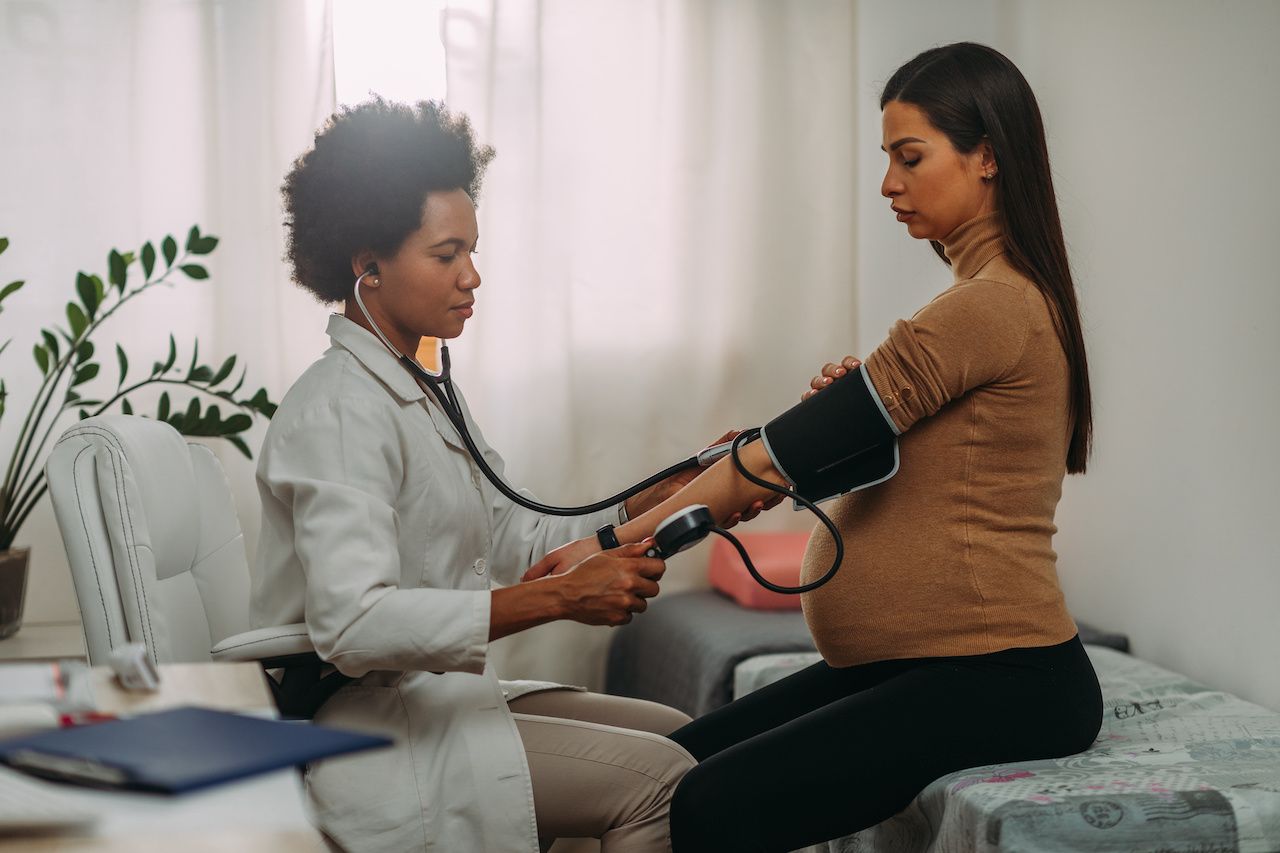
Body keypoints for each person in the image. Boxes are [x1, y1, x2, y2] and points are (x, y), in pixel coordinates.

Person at [529, 42, 1103, 851]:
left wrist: (607, 543)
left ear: (987, 158)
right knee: (659, 767)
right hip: (925, 660)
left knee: (707, 802)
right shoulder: (981, 302)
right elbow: (875, 462)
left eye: (910, 157)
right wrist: (844, 422)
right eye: (886, 159)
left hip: (1002, 675)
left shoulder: (989, 307)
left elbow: (770, 461)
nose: (888, 184)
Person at [251, 97, 764, 853]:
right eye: (446, 254)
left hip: (425, 699)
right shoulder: (338, 410)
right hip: (359, 723)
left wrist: (653, 499)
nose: (472, 276)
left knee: (690, 741)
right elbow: (353, 623)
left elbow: (513, 531)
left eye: (472, 250)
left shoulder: (418, 391)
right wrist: (553, 598)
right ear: (367, 268)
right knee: (665, 784)